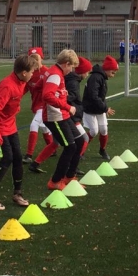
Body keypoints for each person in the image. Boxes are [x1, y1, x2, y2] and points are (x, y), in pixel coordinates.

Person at [0, 53, 41, 211]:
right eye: (32, 72)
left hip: (10, 126)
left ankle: (17, 193)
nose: (33, 75)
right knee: (7, 158)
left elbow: (30, 85)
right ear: (24, 73)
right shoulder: (7, 86)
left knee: (18, 158)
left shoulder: (21, 81)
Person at [42, 49, 82, 190]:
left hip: (62, 115)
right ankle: (55, 181)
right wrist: (67, 106)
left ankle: (69, 176)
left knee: (80, 141)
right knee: (70, 147)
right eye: (71, 67)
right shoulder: (55, 75)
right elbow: (47, 95)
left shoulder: (55, 72)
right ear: (66, 64)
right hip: (55, 117)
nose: (71, 71)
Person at [24, 47, 55, 167]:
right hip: (36, 105)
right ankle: (52, 148)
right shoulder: (29, 73)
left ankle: (29, 155)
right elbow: (25, 88)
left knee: (34, 124)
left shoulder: (46, 72)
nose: (35, 61)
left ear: (41, 58)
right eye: (32, 59)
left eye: (36, 58)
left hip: (45, 105)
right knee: (45, 128)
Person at [83, 56, 118, 161]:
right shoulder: (96, 78)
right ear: (107, 69)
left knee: (104, 129)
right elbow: (93, 96)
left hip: (98, 108)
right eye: (113, 71)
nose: (114, 74)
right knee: (94, 131)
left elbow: (100, 96)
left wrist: (104, 107)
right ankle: (80, 151)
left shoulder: (101, 77)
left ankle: (102, 150)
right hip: (90, 108)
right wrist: (105, 108)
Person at [65, 56, 93, 172]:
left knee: (58, 143)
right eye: (87, 72)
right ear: (82, 71)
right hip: (71, 116)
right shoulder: (73, 82)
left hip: (72, 115)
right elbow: (69, 98)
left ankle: (36, 163)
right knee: (81, 139)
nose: (87, 74)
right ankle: (72, 165)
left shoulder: (74, 81)